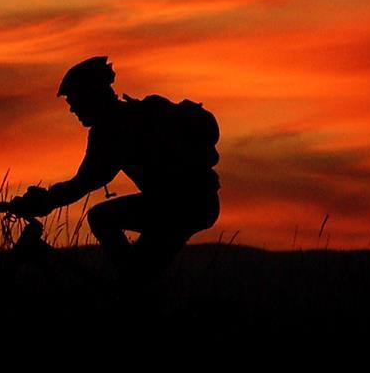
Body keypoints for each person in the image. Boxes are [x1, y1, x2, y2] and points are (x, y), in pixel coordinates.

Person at [13, 57, 220, 279]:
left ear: (91, 95)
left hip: (181, 205)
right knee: (136, 271)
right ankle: (131, 288)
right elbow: (88, 179)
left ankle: (128, 291)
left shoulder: (113, 127)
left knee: (101, 219)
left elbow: (85, 182)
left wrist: (44, 202)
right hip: (192, 203)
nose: (72, 109)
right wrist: (47, 200)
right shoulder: (130, 115)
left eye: (74, 100)